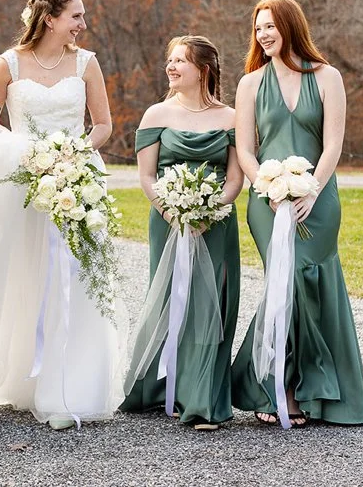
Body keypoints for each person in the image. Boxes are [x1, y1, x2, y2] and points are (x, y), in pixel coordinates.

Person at [0, 0, 123, 430]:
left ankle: (70, 385)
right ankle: (22, 378)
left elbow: (103, 125)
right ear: (50, 17)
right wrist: (27, 154)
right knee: (23, 273)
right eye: (76, 15)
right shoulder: (8, 64)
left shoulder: (86, 63)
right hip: (21, 186)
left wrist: (72, 153)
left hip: (76, 181)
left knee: (77, 278)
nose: (82, 23)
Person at [230, 0, 363, 427]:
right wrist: (265, 188)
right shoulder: (251, 84)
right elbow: (245, 150)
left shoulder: (328, 77)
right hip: (266, 201)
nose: (263, 35)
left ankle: (316, 389)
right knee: (283, 279)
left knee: (307, 277)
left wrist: (313, 189)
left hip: (318, 198)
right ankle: (281, 387)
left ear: (290, 26)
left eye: (270, 26)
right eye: (258, 29)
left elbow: (333, 144)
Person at [122, 36, 243, 431]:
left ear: (203, 70)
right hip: (168, 221)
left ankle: (203, 398)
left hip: (217, 223)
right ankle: (160, 387)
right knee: (171, 299)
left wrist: (211, 210)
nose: (171, 68)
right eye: (169, 60)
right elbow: (145, 176)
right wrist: (174, 210)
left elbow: (235, 179)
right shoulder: (156, 114)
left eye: (181, 61)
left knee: (212, 304)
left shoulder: (231, 118)